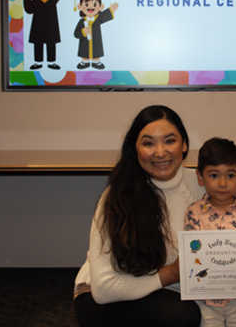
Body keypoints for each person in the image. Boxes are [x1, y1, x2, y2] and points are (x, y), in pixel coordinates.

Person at [73, 105, 205, 327]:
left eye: (170, 140)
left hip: (170, 291)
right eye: (148, 143)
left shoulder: (205, 186)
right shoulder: (117, 196)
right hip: (105, 299)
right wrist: (171, 274)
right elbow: (104, 289)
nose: (160, 152)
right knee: (182, 315)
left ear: (184, 144)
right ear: (135, 149)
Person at [184, 137, 236, 327]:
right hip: (205, 298)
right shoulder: (193, 212)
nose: (222, 183)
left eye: (230, 175)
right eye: (213, 175)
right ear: (200, 177)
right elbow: (191, 253)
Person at [23, 0, 68, 70]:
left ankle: (51, 62)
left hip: (51, 25)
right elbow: (29, 10)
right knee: (38, 43)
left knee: (51, 43)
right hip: (37, 26)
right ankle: (38, 62)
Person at [74, 0, 119, 70]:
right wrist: (83, 32)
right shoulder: (82, 21)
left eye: (95, 4)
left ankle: (96, 61)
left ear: (101, 6)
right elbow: (76, 33)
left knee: (96, 49)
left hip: (95, 41)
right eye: (86, 4)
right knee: (84, 51)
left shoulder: (97, 19)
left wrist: (111, 10)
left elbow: (104, 16)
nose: (90, 8)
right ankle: (84, 61)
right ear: (79, 6)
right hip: (84, 43)